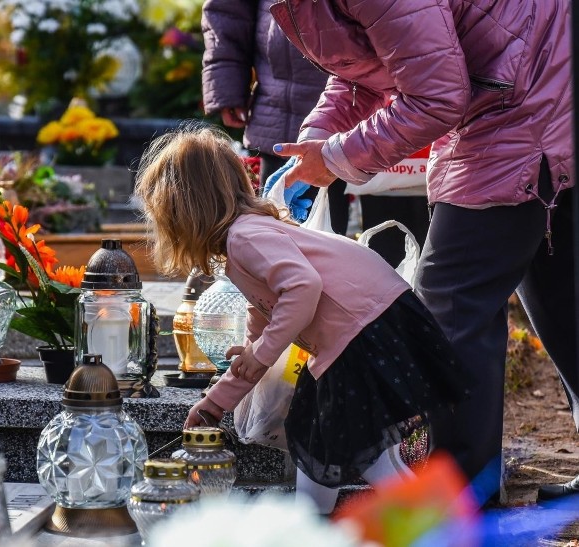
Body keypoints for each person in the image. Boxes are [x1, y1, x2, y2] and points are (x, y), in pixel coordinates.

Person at [265, 0, 575, 503]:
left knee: (449, 309)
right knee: (564, 305)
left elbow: (435, 96)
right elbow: (366, 67)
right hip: (530, 91)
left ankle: (460, 501)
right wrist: (317, 142)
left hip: (519, 111)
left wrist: (339, 158)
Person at [134, 123, 468, 514]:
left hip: (361, 332)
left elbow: (302, 287)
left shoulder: (245, 238)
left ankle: (433, 523)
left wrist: (259, 355)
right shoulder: (248, 237)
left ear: (186, 211)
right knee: (317, 438)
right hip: (372, 324)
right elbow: (261, 328)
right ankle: (314, 523)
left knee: (353, 446)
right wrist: (215, 403)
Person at [200, 0, 348, 234]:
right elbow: (226, 11)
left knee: (389, 238)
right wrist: (226, 81)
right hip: (281, 105)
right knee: (282, 232)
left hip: (374, 98)